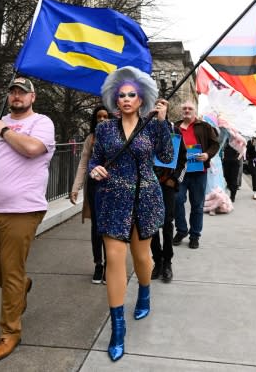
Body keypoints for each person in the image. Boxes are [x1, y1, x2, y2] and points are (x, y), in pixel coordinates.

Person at [0, 77, 55, 363]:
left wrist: (4, 130)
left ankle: (9, 333)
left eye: (22, 93)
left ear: (33, 97)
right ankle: (21, 288)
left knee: (11, 269)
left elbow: (32, 149)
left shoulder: (41, 122)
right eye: (13, 92)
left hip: (23, 209)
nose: (16, 96)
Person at [89, 66, 172, 362]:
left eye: (131, 95)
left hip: (146, 197)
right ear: (115, 99)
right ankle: (118, 328)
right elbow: (96, 159)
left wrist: (163, 123)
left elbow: (166, 157)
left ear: (141, 100)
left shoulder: (152, 126)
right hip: (113, 198)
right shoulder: (104, 128)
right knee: (114, 259)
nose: (125, 99)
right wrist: (93, 170)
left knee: (141, 258)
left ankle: (145, 292)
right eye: (121, 95)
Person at [70, 105, 110, 285]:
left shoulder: (118, 137)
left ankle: (111, 265)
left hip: (112, 188)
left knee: (110, 227)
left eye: (105, 116)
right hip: (94, 187)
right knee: (97, 228)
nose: (102, 119)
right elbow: (83, 163)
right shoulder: (90, 139)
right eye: (99, 117)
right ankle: (98, 264)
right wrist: (75, 187)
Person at [173, 100, 219, 249]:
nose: (187, 110)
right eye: (184, 108)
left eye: (190, 108)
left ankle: (194, 235)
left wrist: (207, 154)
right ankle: (182, 230)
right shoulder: (174, 127)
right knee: (177, 200)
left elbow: (215, 144)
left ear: (195, 111)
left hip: (199, 172)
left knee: (197, 205)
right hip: (181, 171)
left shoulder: (204, 127)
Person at [151, 100, 187, 283]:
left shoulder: (175, 131)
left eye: (163, 104)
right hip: (148, 185)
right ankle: (156, 261)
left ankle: (167, 263)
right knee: (151, 226)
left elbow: (183, 160)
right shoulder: (145, 128)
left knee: (166, 223)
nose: (159, 107)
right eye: (157, 104)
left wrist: (174, 180)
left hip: (167, 184)